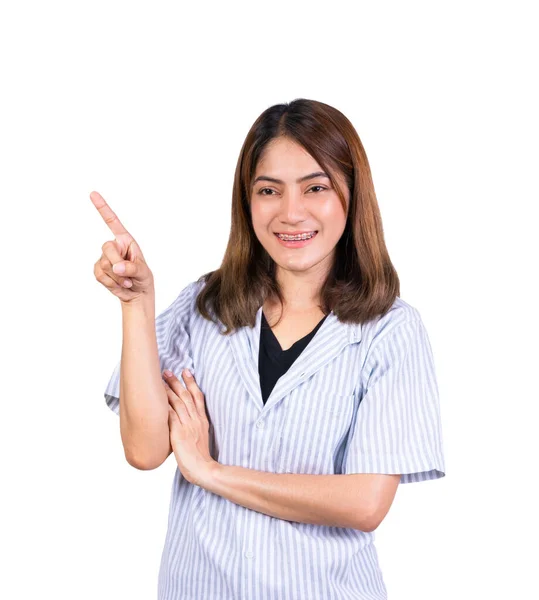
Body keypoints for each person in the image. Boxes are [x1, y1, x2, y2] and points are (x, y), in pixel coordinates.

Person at [92, 98, 446, 600]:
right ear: (247, 201)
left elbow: (365, 503)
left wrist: (211, 472)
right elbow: (145, 450)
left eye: (315, 187)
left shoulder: (388, 330)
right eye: (268, 190)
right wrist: (136, 304)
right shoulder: (203, 307)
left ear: (352, 194)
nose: (290, 212)